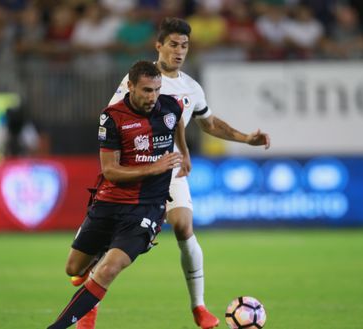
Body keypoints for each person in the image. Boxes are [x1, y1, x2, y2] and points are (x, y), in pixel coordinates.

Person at [74, 17, 270, 329]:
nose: (179, 51)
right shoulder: (136, 80)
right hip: (135, 170)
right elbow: (115, 119)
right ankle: (88, 305)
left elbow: (203, 122)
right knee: (108, 248)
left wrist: (244, 138)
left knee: (183, 225)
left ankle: (199, 306)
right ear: (159, 46)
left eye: (184, 46)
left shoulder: (191, 88)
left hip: (167, 170)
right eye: (173, 45)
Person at [46, 60, 184, 329]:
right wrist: (154, 167)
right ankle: (98, 255)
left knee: (109, 270)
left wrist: (185, 155)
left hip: (147, 208)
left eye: (156, 89)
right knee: (73, 269)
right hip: (109, 202)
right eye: (146, 90)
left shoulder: (171, 106)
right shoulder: (112, 117)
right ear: (130, 86)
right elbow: (110, 171)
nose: (152, 97)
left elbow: (178, 125)